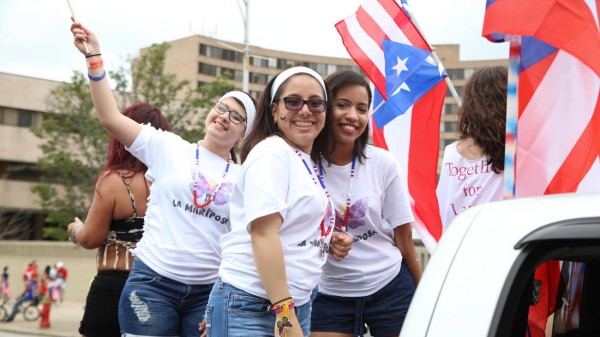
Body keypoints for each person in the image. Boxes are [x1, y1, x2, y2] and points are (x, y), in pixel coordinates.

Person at [71, 19, 257, 337]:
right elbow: (110, 117)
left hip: (206, 295)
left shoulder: (246, 178)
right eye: (221, 107)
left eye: (236, 116)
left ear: (244, 133)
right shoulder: (168, 148)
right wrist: (94, 58)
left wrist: (223, 300)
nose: (224, 116)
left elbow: (246, 245)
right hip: (151, 286)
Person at [205, 66, 353, 337]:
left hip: (292, 303)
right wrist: (286, 317)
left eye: (315, 103)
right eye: (293, 101)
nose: (305, 110)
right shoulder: (272, 154)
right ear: (274, 111)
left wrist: (326, 239)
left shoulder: (301, 159)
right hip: (255, 306)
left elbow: (288, 225)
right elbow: (263, 235)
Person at [309, 70, 421, 337]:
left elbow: (403, 236)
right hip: (328, 296)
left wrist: (424, 291)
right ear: (325, 107)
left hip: (391, 289)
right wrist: (326, 239)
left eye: (361, 109)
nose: (352, 116)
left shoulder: (382, 163)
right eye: (343, 105)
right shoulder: (303, 163)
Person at [66, 103, 171, 337]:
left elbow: (91, 237)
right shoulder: (172, 182)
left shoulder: (114, 181)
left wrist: (75, 229)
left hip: (113, 285)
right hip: (160, 288)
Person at [436, 65, 508, 229]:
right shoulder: (517, 151)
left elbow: (444, 208)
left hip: (459, 245)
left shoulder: (451, 152)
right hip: (504, 245)